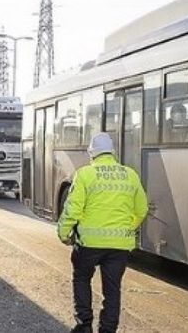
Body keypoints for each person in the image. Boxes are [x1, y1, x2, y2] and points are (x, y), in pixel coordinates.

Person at [58, 133, 148, 333]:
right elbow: (141, 210)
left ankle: (84, 325)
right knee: (112, 288)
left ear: (92, 153)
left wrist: (64, 233)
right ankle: (107, 329)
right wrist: (126, 229)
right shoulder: (130, 175)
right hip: (119, 246)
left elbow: (72, 209)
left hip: (89, 244)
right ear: (113, 152)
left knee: (81, 278)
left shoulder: (85, 174)